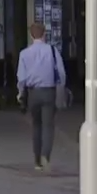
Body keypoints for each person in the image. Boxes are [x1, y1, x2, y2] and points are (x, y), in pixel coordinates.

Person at [17, 22, 65, 171]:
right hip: (49, 91)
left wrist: (20, 93)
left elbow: (21, 78)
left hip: (33, 93)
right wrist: (61, 89)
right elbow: (61, 73)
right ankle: (46, 155)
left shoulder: (24, 53)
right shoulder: (52, 51)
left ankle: (37, 159)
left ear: (31, 35)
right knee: (48, 125)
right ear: (44, 34)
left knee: (36, 125)